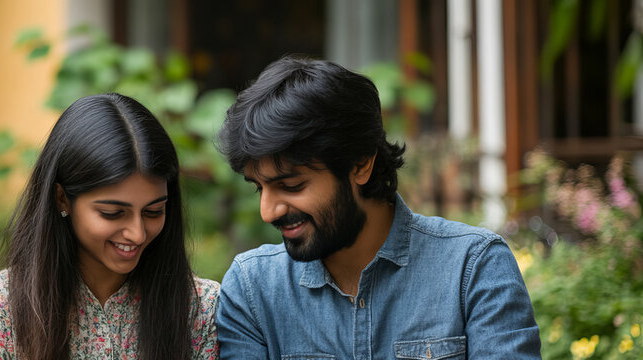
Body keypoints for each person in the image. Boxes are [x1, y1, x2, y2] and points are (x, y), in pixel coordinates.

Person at [214, 57, 541, 359]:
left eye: (291, 186)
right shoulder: (253, 289)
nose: (268, 212)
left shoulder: (473, 268)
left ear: (360, 164)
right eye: (259, 187)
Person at [0, 93, 220, 360]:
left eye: (153, 211)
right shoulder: (4, 305)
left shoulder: (200, 308)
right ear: (62, 198)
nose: (137, 233)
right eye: (113, 213)